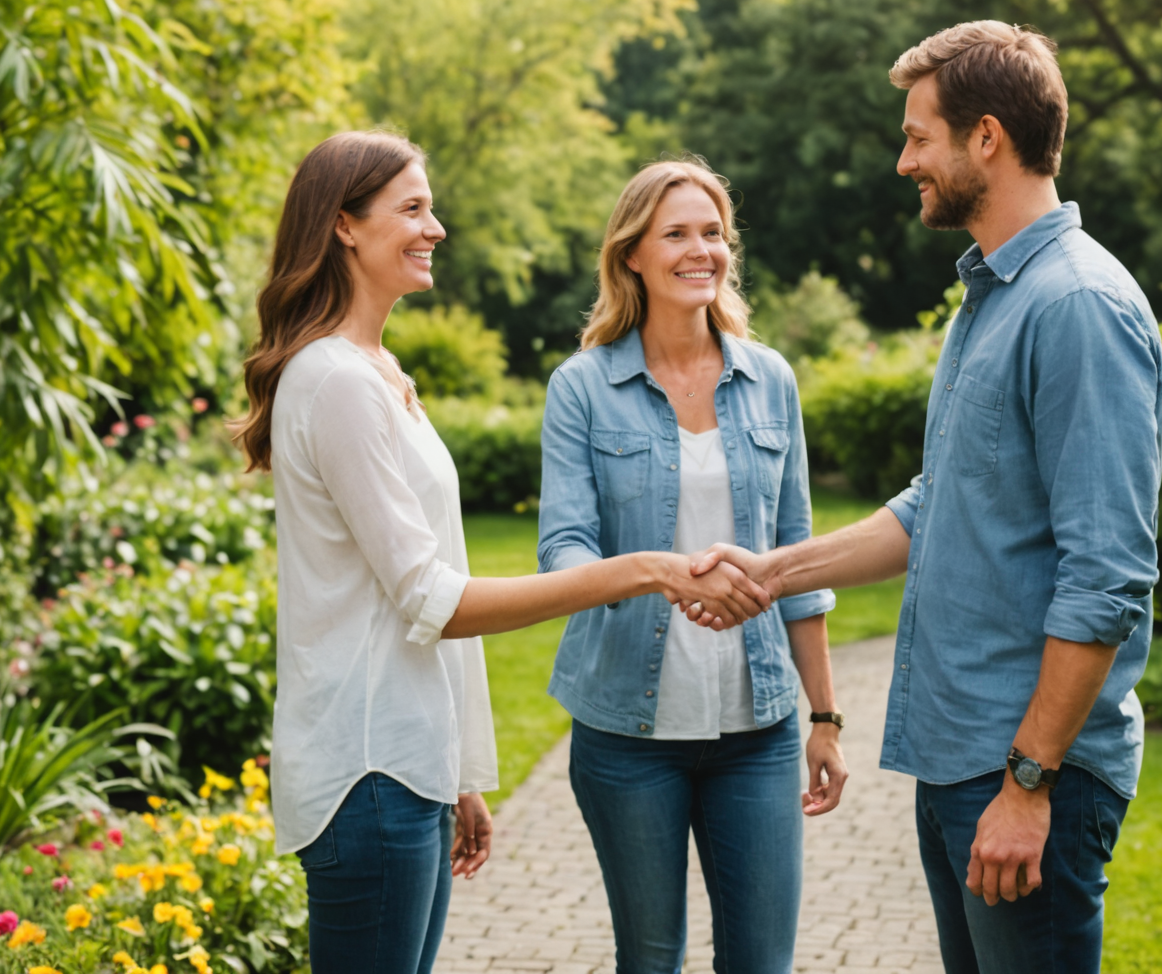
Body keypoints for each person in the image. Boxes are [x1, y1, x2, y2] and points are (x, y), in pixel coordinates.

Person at [228, 132, 770, 974]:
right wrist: (648, 568)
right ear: (343, 225)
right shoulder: (334, 381)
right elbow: (431, 600)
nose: (435, 227)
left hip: (409, 771)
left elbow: (413, 590)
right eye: (412, 209)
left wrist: (459, 774)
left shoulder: (379, 372)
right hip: (367, 774)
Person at [692, 23, 1162, 974]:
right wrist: (773, 571)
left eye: (919, 136)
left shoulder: (1077, 307)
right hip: (961, 761)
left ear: (986, 137)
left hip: (1026, 774)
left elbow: (1107, 579)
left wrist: (1030, 783)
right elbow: (938, 503)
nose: (904, 159)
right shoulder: (993, 296)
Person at [536, 158, 850, 974]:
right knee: (650, 961)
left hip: (760, 730)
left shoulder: (770, 379)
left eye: (712, 233)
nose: (699, 250)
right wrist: (659, 571)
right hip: (626, 732)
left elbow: (798, 553)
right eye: (675, 233)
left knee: (762, 961)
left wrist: (824, 717)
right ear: (631, 254)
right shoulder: (582, 389)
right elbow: (562, 549)